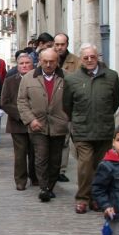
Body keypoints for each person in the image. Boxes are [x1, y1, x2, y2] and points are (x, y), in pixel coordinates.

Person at [63, 43, 119, 213]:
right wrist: (78, 119)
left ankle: (97, 198)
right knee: (85, 165)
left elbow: (115, 101)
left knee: (101, 166)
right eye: (85, 57)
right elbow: (67, 105)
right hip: (82, 129)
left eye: (92, 57)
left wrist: (103, 116)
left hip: (104, 129)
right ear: (81, 59)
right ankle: (82, 198)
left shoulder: (111, 76)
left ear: (98, 57)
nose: (89, 60)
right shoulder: (72, 79)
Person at [18, 47, 67, 203]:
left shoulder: (67, 78)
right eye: (44, 61)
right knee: (41, 157)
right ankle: (44, 188)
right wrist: (31, 119)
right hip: (37, 125)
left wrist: (67, 118)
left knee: (55, 159)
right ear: (39, 61)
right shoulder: (28, 78)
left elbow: (73, 101)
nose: (48, 64)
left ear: (57, 62)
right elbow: (22, 101)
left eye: (51, 61)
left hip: (58, 125)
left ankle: (50, 186)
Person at [0, 53, 38, 190]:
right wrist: (22, 115)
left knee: (35, 152)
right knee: (20, 154)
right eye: (21, 63)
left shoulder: (38, 79)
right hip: (17, 124)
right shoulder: (10, 81)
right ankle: (20, 180)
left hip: (36, 122)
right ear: (17, 65)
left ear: (32, 64)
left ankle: (35, 177)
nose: (24, 66)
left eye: (27, 63)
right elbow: (4, 102)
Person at [54, 33, 81, 183]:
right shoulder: (48, 58)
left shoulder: (76, 61)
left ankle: (61, 170)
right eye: (56, 44)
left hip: (70, 107)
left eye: (62, 44)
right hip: (53, 107)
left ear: (67, 44)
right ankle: (54, 169)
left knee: (66, 141)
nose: (59, 47)